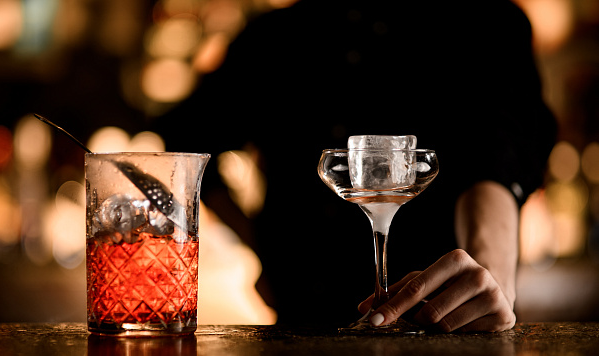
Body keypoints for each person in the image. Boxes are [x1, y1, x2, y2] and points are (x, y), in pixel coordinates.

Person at [151, 0, 556, 332]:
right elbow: (188, 141)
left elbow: (498, 153)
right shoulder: (275, 36)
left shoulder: (485, 22)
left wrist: (489, 273)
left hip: (441, 324)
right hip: (303, 325)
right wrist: (259, 243)